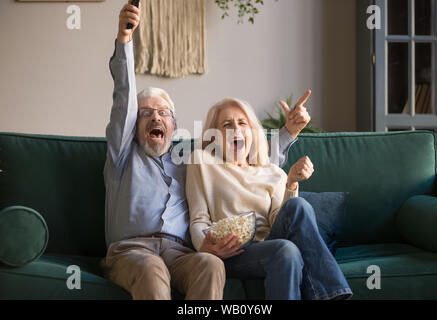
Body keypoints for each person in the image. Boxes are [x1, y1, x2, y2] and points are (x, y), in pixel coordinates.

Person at [100, 1, 309, 300]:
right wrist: (125, 40)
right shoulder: (122, 156)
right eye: (146, 113)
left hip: (179, 253)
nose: (156, 117)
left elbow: (248, 164)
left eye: (163, 113)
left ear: (174, 125)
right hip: (131, 252)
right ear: (133, 126)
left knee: (211, 265)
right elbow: (124, 100)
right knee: (151, 269)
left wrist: (289, 132)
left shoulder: (193, 162)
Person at [186, 98, 353, 300]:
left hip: (270, 242)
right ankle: (332, 294)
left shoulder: (273, 172)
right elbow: (198, 219)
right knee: (286, 250)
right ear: (214, 136)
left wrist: (290, 183)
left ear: (252, 132)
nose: (235, 130)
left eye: (242, 123)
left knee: (297, 208)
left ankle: (332, 295)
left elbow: (279, 220)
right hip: (233, 251)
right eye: (226, 125)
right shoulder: (203, 162)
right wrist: (204, 246)